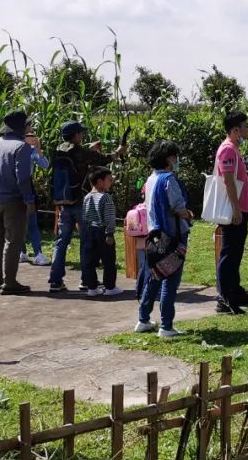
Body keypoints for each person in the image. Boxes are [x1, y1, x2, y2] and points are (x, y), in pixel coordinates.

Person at [48, 120, 126, 293]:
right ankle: (86, 280)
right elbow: (103, 159)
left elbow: (79, 159)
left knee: (61, 242)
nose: (82, 135)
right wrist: (118, 152)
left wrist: (90, 149)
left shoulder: (56, 150)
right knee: (87, 242)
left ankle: (55, 280)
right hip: (81, 202)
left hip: (62, 202)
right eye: (80, 133)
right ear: (75, 135)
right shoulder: (80, 151)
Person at [136, 140, 193, 338]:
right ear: (169, 159)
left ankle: (143, 319)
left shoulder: (150, 179)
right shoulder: (169, 179)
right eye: (175, 157)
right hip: (172, 236)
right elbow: (178, 207)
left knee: (154, 276)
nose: (177, 160)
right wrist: (188, 214)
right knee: (171, 279)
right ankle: (166, 326)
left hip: (154, 235)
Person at [0, 110, 36, 295]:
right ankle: (10, 282)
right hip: (13, 199)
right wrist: (29, 200)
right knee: (13, 241)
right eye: (28, 125)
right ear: (21, 127)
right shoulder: (21, 147)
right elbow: (23, 178)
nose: (30, 128)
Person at [214, 111, 248, 315]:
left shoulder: (234, 149)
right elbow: (228, 181)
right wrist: (236, 209)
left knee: (236, 252)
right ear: (235, 130)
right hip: (234, 211)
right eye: (245, 126)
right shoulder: (227, 150)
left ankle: (236, 291)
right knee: (229, 253)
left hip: (240, 209)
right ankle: (224, 298)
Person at [81, 168, 123, 297]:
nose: (111, 183)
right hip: (102, 232)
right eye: (109, 180)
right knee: (108, 261)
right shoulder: (106, 197)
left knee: (89, 261)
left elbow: (84, 217)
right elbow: (109, 218)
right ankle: (110, 287)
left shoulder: (87, 197)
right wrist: (109, 234)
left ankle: (92, 288)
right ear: (100, 182)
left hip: (88, 232)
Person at [20, 126, 50, 266]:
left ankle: (38, 253)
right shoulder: (15, 149)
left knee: (32, 220)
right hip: (15, 187)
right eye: (28, 134)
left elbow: (45, 165)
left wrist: (38, 148)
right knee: (19, 221)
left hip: (27, 186)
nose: (32, 136)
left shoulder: (32, 152)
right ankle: (22, 252)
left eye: (33, 134)